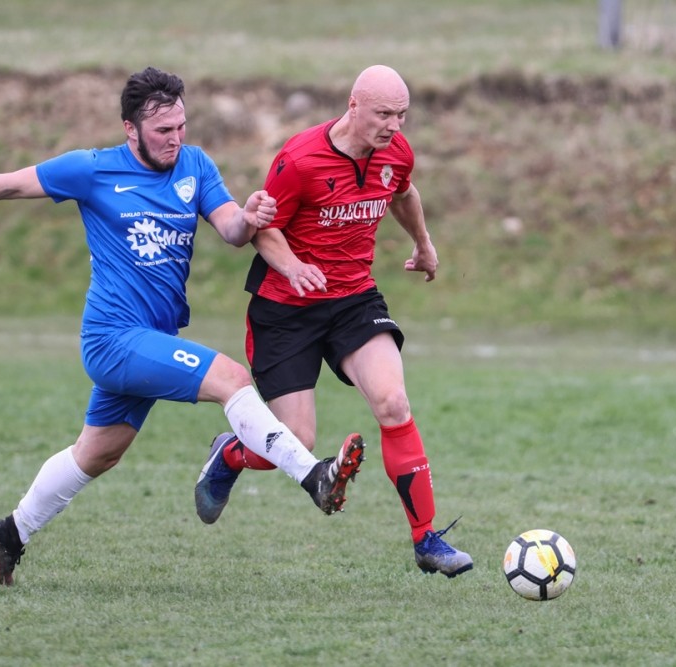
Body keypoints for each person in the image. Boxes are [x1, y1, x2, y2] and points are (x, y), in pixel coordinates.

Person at [0, 67, 366, 586]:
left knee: (97, 454)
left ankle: (10, 532)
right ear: (130, 129)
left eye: (181, 126)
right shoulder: (92, 170)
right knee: (230, 378)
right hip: (113, 338)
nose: (175, 138)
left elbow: (231, 228)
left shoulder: (195, 165)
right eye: (163, 131)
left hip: (153, 340)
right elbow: (9, 183)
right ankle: (315, 476)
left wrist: (250, 217)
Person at [193, 65, 473, 578]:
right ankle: (231, 454)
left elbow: (404, 194)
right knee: (295, 441)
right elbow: (264, 228)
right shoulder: (299, 159)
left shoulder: (397, 153)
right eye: (384, 114)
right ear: (353, 105)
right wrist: (292, 267)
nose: (394, 126)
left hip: (353, 300)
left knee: (394, 403)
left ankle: (426, 539)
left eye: (402, 115)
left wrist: (424, 244)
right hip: (286, 309)